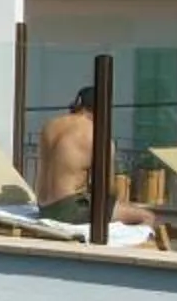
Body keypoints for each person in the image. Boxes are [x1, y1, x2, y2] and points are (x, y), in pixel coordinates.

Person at [35, 86, 159, 227]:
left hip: (44, 207)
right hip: (68, 211)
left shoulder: (50, 125)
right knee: (147, 216)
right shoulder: (96, 135)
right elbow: (108, 189)